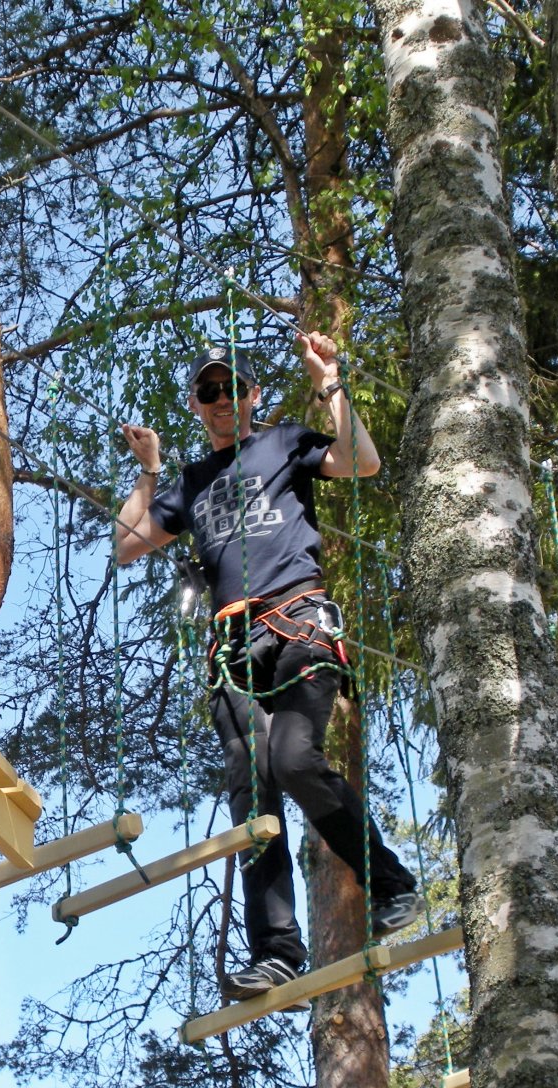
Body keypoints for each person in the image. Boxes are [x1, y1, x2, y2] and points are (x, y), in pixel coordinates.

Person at [114, 332, 422, 1001]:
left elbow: (360, 462)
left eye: (234, 388)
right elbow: (128, 543)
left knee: (293, 759)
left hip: (300, 624)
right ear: (197, 405)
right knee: (252, 788)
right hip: (233, 646)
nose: (223, 400)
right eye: (209, 392)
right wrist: (150, 469)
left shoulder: (283, 444)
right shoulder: (192, 482)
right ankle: (278, 951)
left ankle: (393, 885)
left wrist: (330, 379)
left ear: (254, 396)